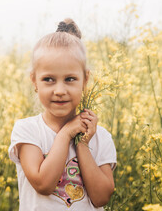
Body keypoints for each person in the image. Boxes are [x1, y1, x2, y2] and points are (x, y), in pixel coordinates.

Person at [8, 18, 117, 210]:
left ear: (85, 80)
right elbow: (43, 184)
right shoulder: (27, 131)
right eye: (48, 79)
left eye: (70, 79)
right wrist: (67, 133)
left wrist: (82, 143)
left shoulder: (100, 137)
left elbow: (101, 197)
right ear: (34, 81)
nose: (59, 90)